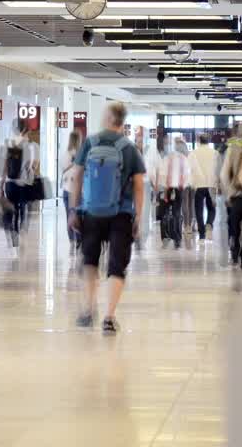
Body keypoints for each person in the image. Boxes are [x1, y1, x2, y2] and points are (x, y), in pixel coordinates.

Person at [69, 101, 146, 334]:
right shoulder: (129, 148)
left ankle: (88, 309)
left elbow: (77, 176)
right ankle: (109, 317)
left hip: (91, 211)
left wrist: (74, 209)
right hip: (121, 213)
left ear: (109, 117)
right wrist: (138, 217)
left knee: (90, 260)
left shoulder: (90, 142)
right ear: (121, 120)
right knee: (116, 265)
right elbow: (139, 185)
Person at [0, 124, 38, 239]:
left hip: (10, 182)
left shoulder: (8, 145)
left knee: (13, 208)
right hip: (24, 182)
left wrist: (1, 184)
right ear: (26, 131)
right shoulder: (31, 146)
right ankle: (21, 230)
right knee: (23, 208)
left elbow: (5, 166)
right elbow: (33, 166)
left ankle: (14, 232)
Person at [156, 133, 191, 249]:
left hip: (167, 188)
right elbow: (187, 175)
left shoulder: (166, 158)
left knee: (165, 212)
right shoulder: (184, 159)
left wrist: (162, 190)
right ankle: (177, 239)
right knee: (177, 213)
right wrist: (184, 186)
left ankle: (165, 236)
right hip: (179, 189)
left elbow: (162, 174)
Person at [221, 123, 242, 289]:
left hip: (236, 196)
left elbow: (224, 173)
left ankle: (235, 251)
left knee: (234, 226)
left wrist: (227, 194)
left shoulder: (232, 148)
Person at [190, 132, 219, 243]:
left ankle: (202, 235)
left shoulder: (193, 153)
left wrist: (192, 183)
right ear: (209, 141)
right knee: (211, 208)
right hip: (211, 184)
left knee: (199, 209)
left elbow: (190, 170)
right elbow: (218, 170)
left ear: (199, 141)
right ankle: (209, 224)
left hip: (199, 185)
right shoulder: (215, 153)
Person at [62, 130, 83, 252]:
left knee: (68, 215)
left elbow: (63, 169)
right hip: (77, 189)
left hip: (66, 188)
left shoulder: (66, 154)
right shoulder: (81, 154)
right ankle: (79, 240)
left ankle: (71, 241)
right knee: (78, 215)